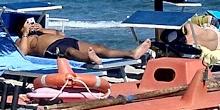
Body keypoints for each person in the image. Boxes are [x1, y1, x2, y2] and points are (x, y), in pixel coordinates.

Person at [17, 18, 150, 65]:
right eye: (27, 24)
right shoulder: (21, 39)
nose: (30, 25)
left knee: (99, 47)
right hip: (52, 49)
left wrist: (43, 29)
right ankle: (89, 58)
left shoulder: (40, 31)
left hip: (67, 40)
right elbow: (23, 53)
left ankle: (130, 53)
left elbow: (61, 33)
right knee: (71, 52)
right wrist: (25, 34)